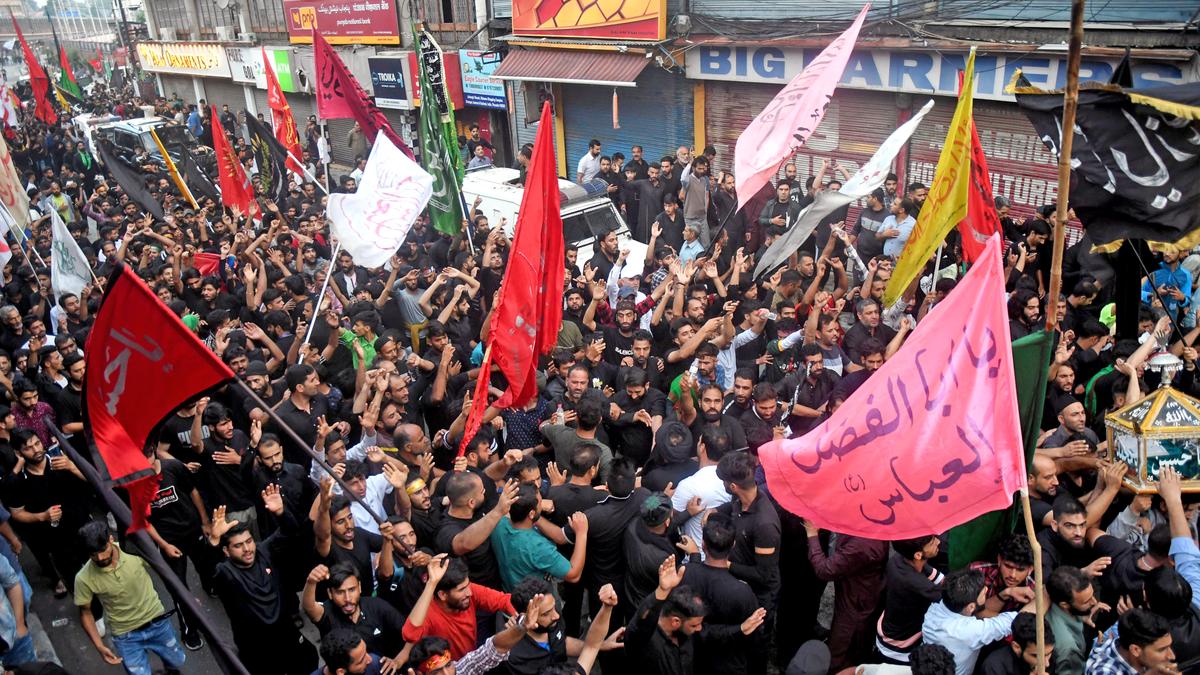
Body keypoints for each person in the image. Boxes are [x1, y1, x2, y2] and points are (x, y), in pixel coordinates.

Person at [75, 521, 187, 675]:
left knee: (177, 661)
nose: (100, 558)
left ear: (111, 540)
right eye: (93, 554)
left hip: (158, 622)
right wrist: (99, 646)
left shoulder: (133, 550)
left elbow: (165, 572)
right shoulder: (83, 578)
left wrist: (187, 597)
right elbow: (85, 612)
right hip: (126, 636)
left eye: (103, 550)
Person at [921, 570, 1019, 675]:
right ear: (971, 606)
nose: (986, 589)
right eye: (983, 592)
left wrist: (1005, 593)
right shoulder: (967, 631)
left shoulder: (935, 609)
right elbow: (1014, 621)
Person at [1085, 608, 1176, 674]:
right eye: (1161, 650)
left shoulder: (1130, 638)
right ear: (1135, 650)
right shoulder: (1104, 671)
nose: (1172, 656)